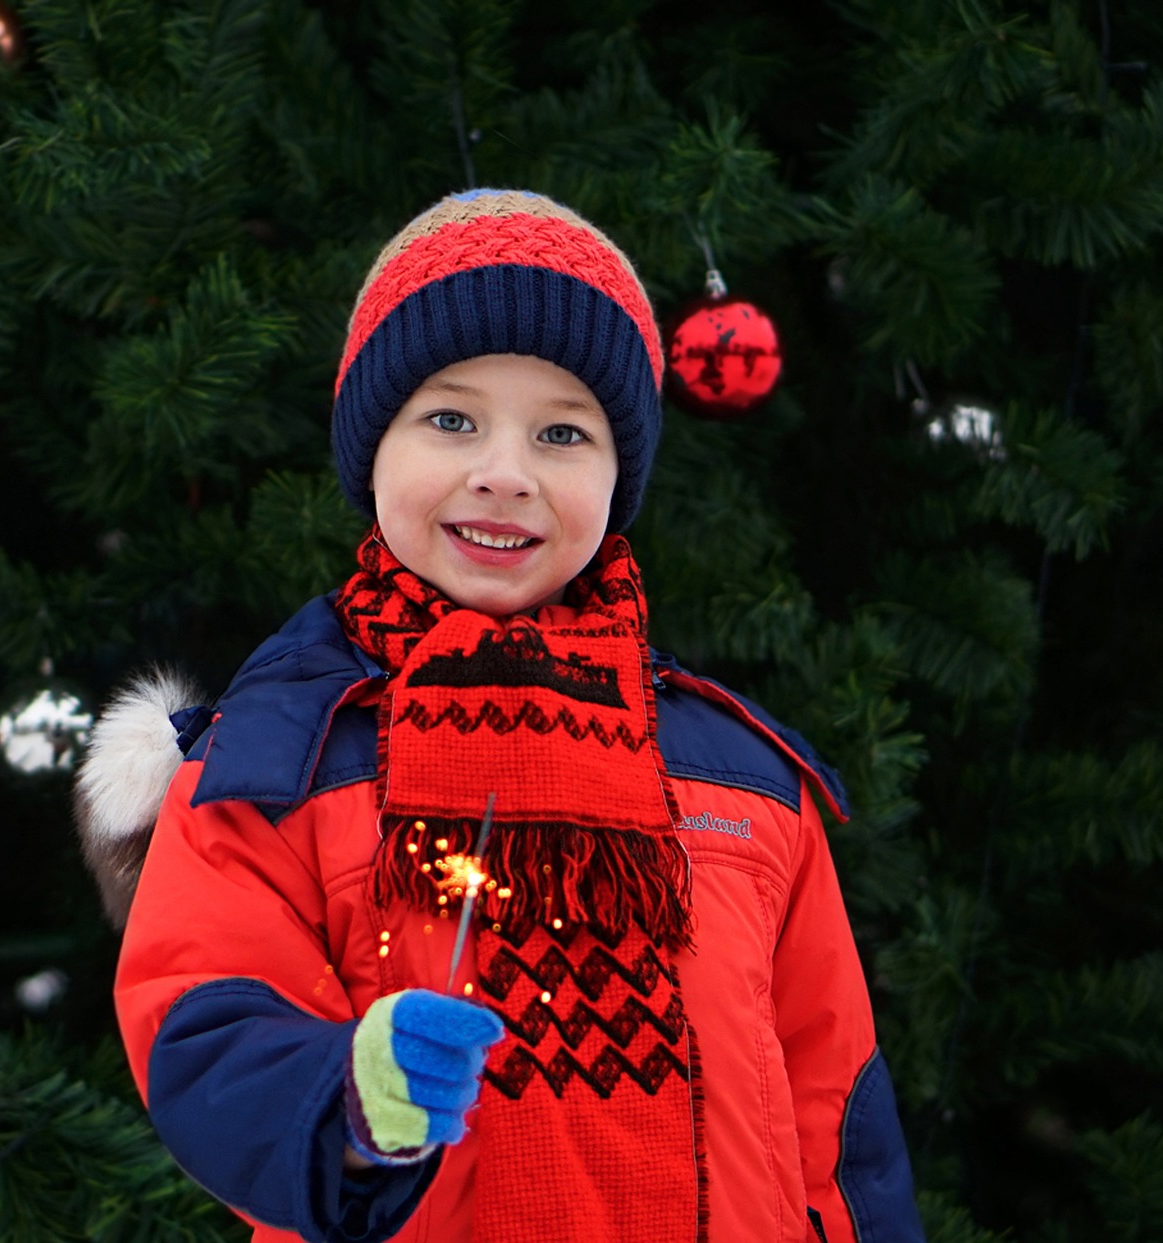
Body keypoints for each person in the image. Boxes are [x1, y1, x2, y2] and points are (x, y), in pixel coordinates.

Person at [77, 190, 924, 1243]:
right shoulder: (275, 763)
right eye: (451, 418)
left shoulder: (745, 780)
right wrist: (346, 1095)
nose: (505, 473)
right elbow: (202, 1033)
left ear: (620, 477)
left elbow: (835, 1116)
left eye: (563, 432)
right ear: (370, 448)